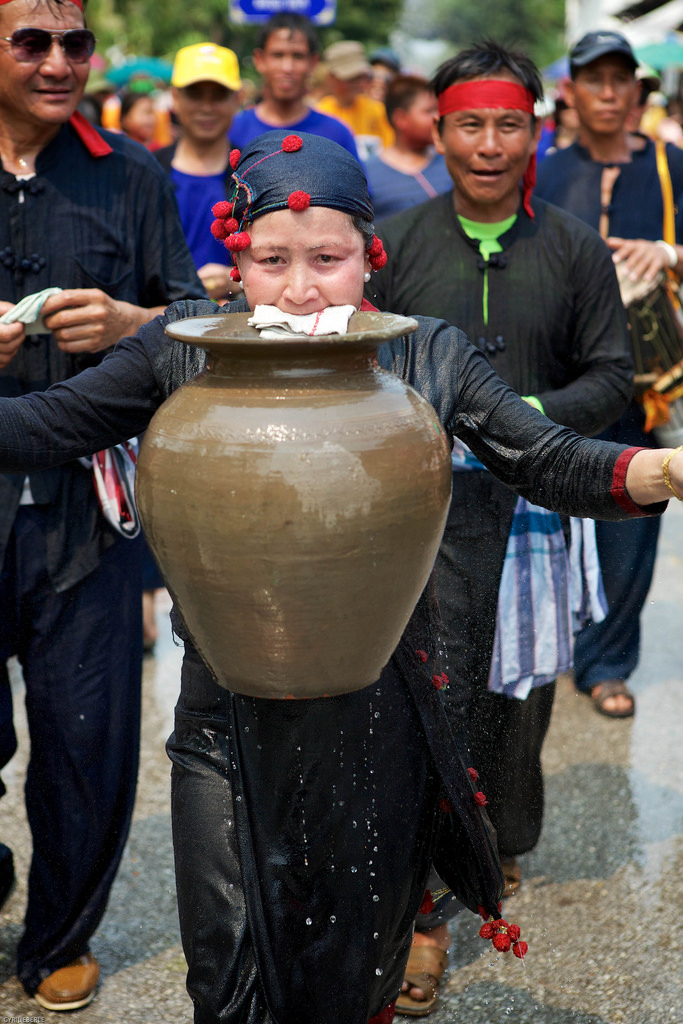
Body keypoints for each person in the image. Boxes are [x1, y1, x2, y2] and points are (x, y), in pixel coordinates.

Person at [0, 128, 679, 1024]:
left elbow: (539, 455)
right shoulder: (178, 347)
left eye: (328, 258)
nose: (300, 287)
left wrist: (658, 471)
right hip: (222, 725)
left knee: (353, 967)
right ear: (234, 262)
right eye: (271, 259)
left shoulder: (421, 354)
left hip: (379, 716)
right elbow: (48, 425)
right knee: (227, 964)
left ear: (370, 260)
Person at [367, 40, 633, 1014]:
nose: (488, 143)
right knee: (420, 707)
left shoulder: (569, 248)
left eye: (508, 123)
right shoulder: (394, 245)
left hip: (529, 516)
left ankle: (498, 845)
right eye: (469, 123)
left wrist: (516, 419)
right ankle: (427, 908)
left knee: (515, 703)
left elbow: (612, 375)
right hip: (420, 523)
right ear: (435, 130)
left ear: (537, 127)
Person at [0, 0, 204, 1010]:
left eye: (75, 43)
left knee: (86, 736)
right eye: (31, 41)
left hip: (88, 512)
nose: (58, 62)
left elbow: (198, 322)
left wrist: (133, 322)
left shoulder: (131, 176)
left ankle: (60, 934)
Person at [536, 30, 683, 718]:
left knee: (634, 508)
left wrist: (664, 250)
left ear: (633, 90)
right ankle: (555, 642)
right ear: (571, 91)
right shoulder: (545, 167)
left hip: (644, 377)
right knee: (554, 507)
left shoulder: (668, 162)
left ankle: (607, 661)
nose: (605, 92)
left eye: (617, 79)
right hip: (561, 369)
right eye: (591, 79)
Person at [155, 43, 243, 303]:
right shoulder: (147, 171)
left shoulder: (254, 173)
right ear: (175, 98)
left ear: (237, 99)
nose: (207, 107)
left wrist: (237, 278)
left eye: (218, 95)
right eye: (195, 94)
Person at [229, 13, 359, 159]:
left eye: (298, 56)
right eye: (278, 55)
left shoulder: (336, 134)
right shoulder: (232, 130)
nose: (287, 68)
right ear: (259, 60)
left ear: (313, 62)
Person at [364, 74, 451, 219]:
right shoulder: (367, 173)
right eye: (429, 111)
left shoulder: (450, 162)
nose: (438, 118)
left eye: (438, 110)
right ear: (401, 118)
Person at [318, 40, 394, 159]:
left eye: (361, 77)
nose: (358, 83)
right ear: (331, 78)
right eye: (350, 78)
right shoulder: (322, 113)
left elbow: (390, 150)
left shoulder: (377, 110)